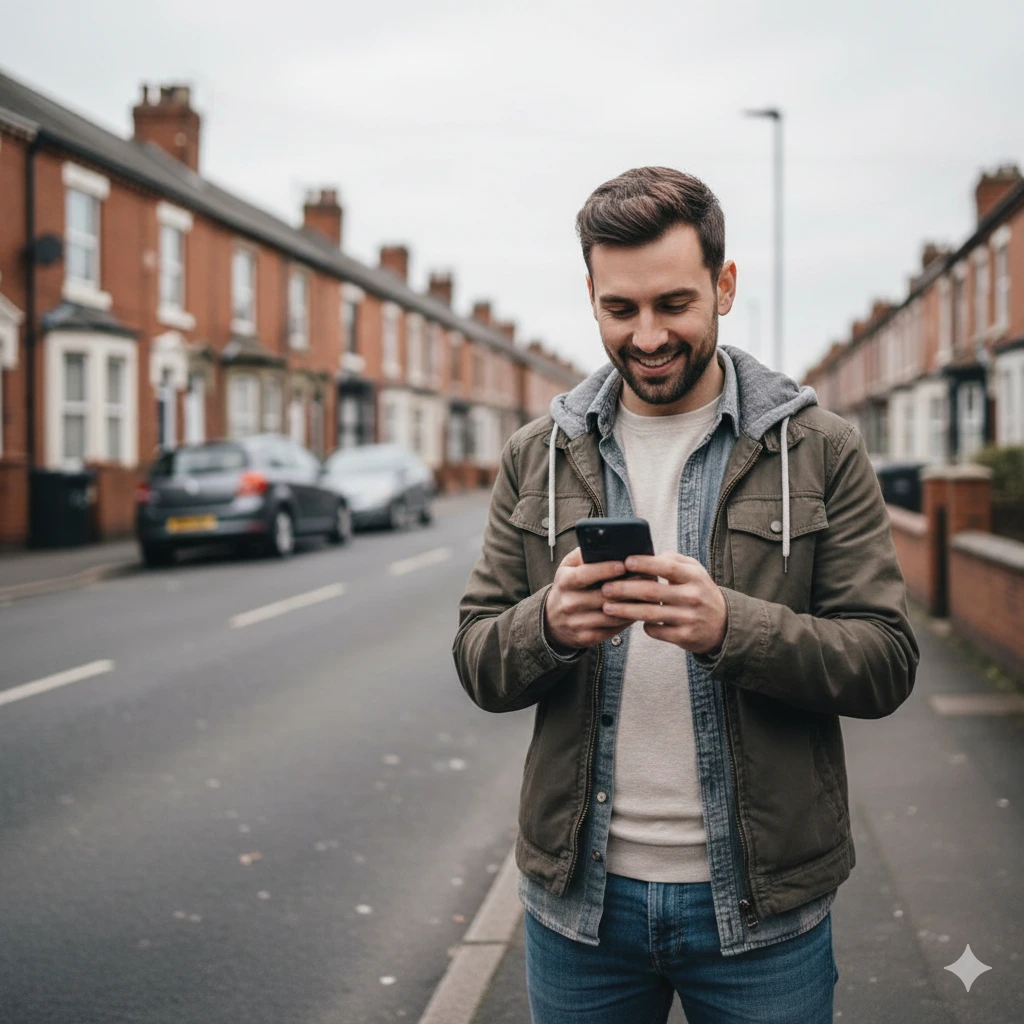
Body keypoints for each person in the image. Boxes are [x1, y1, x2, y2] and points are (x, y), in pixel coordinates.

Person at [452, 166, 919, 1023]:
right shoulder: (538, 455)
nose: (648, 335)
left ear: (724, 286)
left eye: (674, 303)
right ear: (590, 296)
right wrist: (547, 625)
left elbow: (885, 662)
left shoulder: (819, 448)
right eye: (620, 309)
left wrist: (730, 627)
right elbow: (478, 657)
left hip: (761, 907)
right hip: (579, 909)